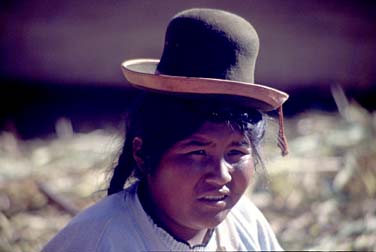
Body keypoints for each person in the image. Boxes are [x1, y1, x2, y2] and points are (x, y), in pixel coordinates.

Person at [42, 8, 289, 251]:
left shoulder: (245, 222)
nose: (222, 175)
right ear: (143, 154)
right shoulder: (100, 241)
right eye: (198, 152)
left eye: (236, 153)